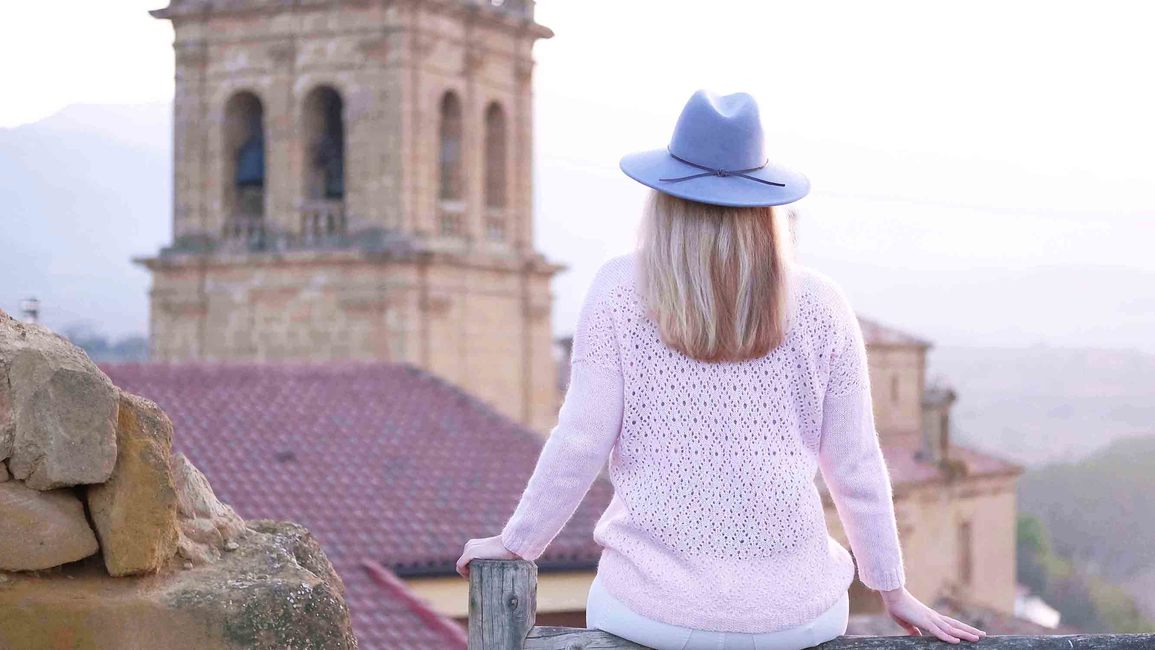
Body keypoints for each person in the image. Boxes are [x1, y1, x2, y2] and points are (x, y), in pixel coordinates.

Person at [457, 89, 987, 650]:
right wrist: (892, 589)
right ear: (766, 204)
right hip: (797, 616)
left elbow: (581, 440)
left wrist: (518, 544)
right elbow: (855, 464)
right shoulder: (823, 303)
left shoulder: (617, 289)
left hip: (652, 611)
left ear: (665, 197)